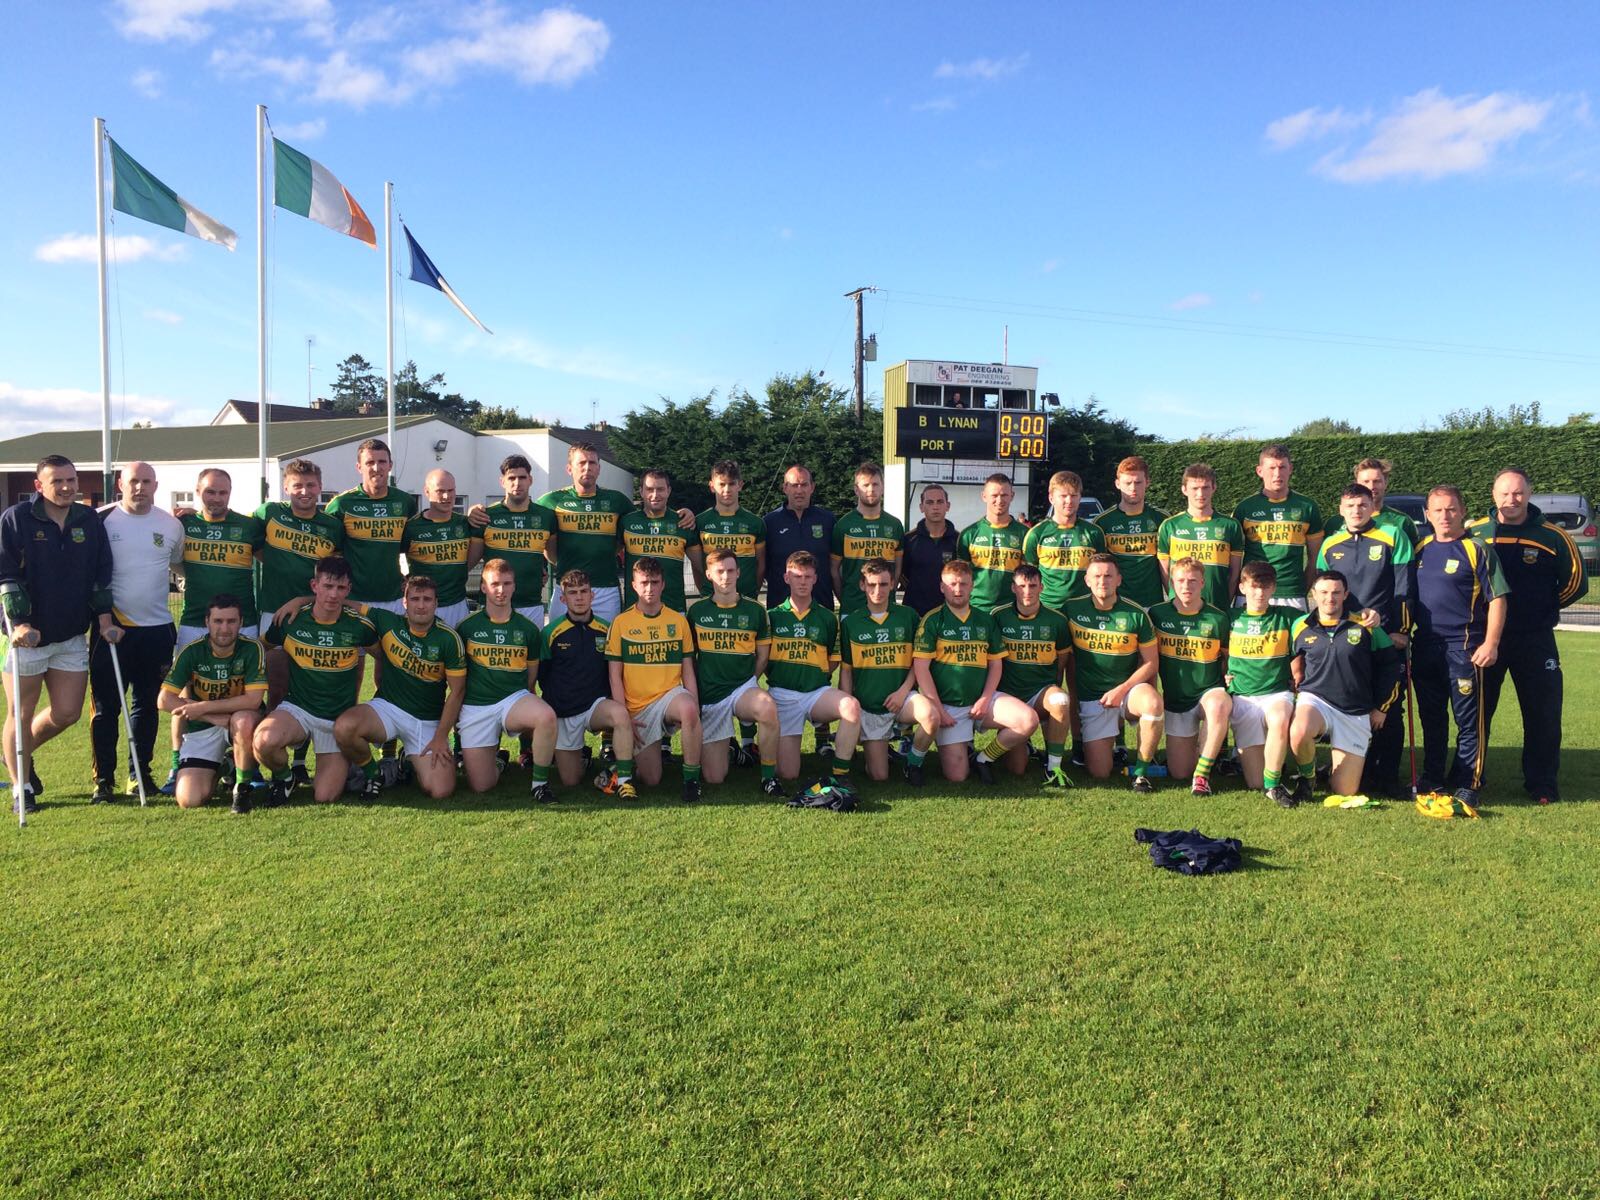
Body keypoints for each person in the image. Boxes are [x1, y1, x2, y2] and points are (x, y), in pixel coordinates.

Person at [0, 455, 115, 812]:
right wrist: (18, 624)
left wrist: (105, 620)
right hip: (28, 636)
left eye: (71, 480)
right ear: (39, 486)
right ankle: (23, 788)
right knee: (20, 712)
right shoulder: (16, 519)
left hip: (69, 636)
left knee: (67, 713)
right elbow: (5, 576)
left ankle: (16, 753)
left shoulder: (89, 519)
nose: (66, 488)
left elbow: (101, 572)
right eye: (57, 481)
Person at [1470, 467, 1587, 804]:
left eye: (1518, 492)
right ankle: (1472, 776)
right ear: (1494, 495)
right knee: (1477, 712)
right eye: (1505, 493)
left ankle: (1542, 784)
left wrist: (1541, 610)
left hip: (1535, 640)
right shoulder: (1476, 532)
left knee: (1543, 713)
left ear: (1529, 494)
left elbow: (1576, 583)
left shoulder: (1553, 536)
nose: (1512, 499)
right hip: (1486, 638)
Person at [163, 467, 265, 794]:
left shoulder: (249, 526)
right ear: (198, 492)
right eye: (210, 492)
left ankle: (243, 761)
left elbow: (274, 561)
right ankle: (177, 761)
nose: (216, 498)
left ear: (230, 494)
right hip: (194, 620)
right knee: (185, 693)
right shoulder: (183, 525)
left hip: (243, 621)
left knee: (242, 692)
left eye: (222, 492)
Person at [90, 461, 185, 803]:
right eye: (133, 481)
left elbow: (177, 564)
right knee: (106, 707)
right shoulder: (100, 520)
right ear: (120, 483)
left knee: (146, 705)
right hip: (111, 629)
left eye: (146, 481)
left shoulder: (171, 525)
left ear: (156, 485)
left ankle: (139, 774)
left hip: (158, 630)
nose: (140, 488)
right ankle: (104, 780)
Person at [1411, 485, 1508, 808]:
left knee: (1469, 721)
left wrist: (1491, 643)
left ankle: (1469, 781)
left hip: (1464, 649)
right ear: (1427, 515)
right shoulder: (1421, 548)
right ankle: (1433, 776)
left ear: (1463, 511)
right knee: (1432, 718)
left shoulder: (1477, 548)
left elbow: (1498, 599)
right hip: (1425, 648)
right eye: (1437, 510)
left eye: (1451, 509)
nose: (1444, 516)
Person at [254, 556, 378, 804]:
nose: (333, 594)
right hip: (298, 710)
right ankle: (285, 777)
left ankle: (363, 768)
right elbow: (259, 649)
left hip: (336, 719)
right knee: (264, 741)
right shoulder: (290, 620)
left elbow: (386, 658)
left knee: (325, 796)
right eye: (328, 586)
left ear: (348, 590)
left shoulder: (360, 625)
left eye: (340, 588)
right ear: (314, 586)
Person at [333, 574, 467, 801]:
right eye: (415, 599)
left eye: (427, 599)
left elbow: (457, 691)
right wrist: (298, 602)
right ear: (405, 602)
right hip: (389, 708)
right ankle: (373, 773)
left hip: (426, 720)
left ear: (436, 603)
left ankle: (406, 761)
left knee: (440, 790)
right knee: (344, 728)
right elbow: (345, 603)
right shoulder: (388, 621)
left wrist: (441, 736)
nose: (421, 605)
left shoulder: (449, 639)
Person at [1316, 483, 1413, 796]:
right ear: (1340, 509)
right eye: (1349, 506)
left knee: (1388, 706)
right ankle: (1361, 771)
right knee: (1354, 704)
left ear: (1372, 506)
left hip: (1383, 636)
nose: (1356, 511)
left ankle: (1388, 777)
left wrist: (1400, 629)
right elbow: (1321, 591)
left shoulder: (1391, 535)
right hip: (1345, 639)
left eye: (1362, 505)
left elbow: (1404, 588)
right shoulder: (1331, 543)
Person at [255, 457, 344, 786]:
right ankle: (261, 757)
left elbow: (334, 576)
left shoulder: (332, 526)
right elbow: (254, 547)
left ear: (320, 488)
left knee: (310, 686)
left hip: (312, 614)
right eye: (298, 485)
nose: (304, 491)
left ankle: (299, 762)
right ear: (286, 487)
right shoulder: (268, 514)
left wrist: (303, 599)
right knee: (276, 686)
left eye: (310, 485)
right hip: (273, 613)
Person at [912, 558, 1038, 785]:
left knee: (1027, 720)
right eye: (952, 584)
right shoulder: (932, 620)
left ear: (972, 585)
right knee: (957, 776)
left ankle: (983, 758)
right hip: (949, 706)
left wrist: (985, 698)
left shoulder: (985, 620)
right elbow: (921, 669)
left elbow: (996, 664)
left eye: (963, 584)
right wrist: (938, 709)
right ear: (942, 587)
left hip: (982, 701)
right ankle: (938, 752)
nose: (957, 589)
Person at [1287, 570, 1403, 799]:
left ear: (1345, 594)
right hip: (1316, 700)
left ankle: (1329, 771)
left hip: (1354, 709)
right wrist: (1296, 672)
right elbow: (1291, 656)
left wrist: (1381, 708)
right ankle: (1307, 777)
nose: (1329, 598)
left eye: (1336, 593)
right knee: (1299, 731)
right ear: (1313, 594)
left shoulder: (1365, 624)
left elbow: (1391, 666)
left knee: (1345, 791)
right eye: (1323, 592)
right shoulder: (1300, 625)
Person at [454, 558, 559, 797]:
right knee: (481, 785)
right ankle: (499, 760)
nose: (500, 590)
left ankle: (540, 784)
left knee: (546, 716)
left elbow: (530, 680)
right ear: (483, 587)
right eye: (494, 584)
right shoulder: (465, 627)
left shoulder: (529, 629)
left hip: (513, 700)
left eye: (506, 583)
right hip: (477, 706)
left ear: (514, 586)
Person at [765, 551, 861, 802]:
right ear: (786, 577)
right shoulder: (772, 617)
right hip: (783, 695)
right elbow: (763, 660)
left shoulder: (827, 617)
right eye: (797, 576)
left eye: (808, 576)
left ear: (816, 578)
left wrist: (811, 675)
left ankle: (840, 774)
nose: (802, 581)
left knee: (850, 706)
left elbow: (832, 661)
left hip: (816, 693)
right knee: (788, 772)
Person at [157, 594, 266, 813]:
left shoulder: (252, 648)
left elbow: (253, 700)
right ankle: (225, 766)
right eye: (218, 621)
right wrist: (208, 716)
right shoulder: (192, 651)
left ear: (241, 623)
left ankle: (241, 789)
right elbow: (164, 700)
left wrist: (202, 707)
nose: (224, 628)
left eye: (231, 621)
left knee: (243, 720)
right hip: (204, 727)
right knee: (190, 799)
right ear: (207, 622)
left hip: (240, 721)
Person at [1063, 553, 1164, 789]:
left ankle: (1141, 772)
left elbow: (1151, 663)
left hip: (1127, 693)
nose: (1102, 581)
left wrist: (1122, 689)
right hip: (1093, 699)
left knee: (1152, 702)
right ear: (1087, 580)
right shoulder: (1071, 609)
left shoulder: (1136, 613)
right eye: (1096, 576)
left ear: (1119, 579)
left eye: (1108, 576)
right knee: (1099, 773)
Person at [605, 557, 703, 798]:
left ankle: (691, 781)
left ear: (663, 585)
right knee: (651, 779)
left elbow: (688, 668)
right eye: (644, 583)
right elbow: (615, 676)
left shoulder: (678, 621)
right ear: (634, 586)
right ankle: (621, 769)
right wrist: (624, 716)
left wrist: (694, 707)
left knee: (689, 709)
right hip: (639, 709)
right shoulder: (621, 623)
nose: (649, 588)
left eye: (654, 582)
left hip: (670, 697)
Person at [688, 547, 782, 793]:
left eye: (730, 571)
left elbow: (763, 656)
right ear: (708, 574)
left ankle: (768, 777)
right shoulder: (697, 612)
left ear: (739, 572)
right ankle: (731, 749)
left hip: (742, 688)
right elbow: (691, 659)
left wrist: (749, 682)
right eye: (719, 571)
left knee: (767, 707)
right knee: (714, 777)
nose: (726, 577)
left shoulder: (755, 610)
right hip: (711, 695)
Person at [840, 557, 936, 784]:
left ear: (893, 584)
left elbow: (918, 661)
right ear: (862, 585)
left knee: (931, 717)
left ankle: (913, 763)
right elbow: (846, 670)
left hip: (902, 699)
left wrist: (904, 691)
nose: (877, 590)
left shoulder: (908, 616)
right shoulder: (851, 623)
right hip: (870, 707)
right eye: (872, 584)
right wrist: (849, 712)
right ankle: (878, 752)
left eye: (883, 584)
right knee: (879, 776)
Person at [541, 570, 637, 796]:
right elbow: (542, 677)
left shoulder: (608, 629)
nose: (579, 597)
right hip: (564, 713)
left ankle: (623, 780)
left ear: (592, 595)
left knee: (620, 715)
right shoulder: (550, 633)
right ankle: (583, 758)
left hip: (596, 707)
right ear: (563, 599)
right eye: (572, 593)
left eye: (584, 591)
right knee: (571, 781)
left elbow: (617, 672)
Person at [1148, 558, 1232, 795]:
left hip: (1208, 692)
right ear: (1172, 582)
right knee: (1179, 772)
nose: (1187, 586)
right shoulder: (1157, 613)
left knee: (1219, 705)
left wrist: (1230, 679)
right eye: (1181, 581)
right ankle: (1202, 750)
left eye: (1193, 581)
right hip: (1176, 700)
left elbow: (1228, 659)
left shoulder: (1218, 618)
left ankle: (1202, 775)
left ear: (1203, 583)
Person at [989, 563, 1072, 789]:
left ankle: (1053, 766)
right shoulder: (998, 616)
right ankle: (1020, 747)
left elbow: (1062, 660)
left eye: (1032, 585)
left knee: (1060, 699)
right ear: (1013, 588)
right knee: (1016, 769)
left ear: (1041, 587)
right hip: (1010, 696)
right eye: (1022, 586)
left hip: (1040, 691)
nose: (1027, 591)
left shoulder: (1056, 620)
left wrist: (1052, 686)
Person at [1225, 561, 1300, 804]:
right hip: (1243, 697)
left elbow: (1328, 617)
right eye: (1254, 587)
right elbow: (1215, 653)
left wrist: (1363, 615)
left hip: (1276, 694)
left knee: (1278, 720)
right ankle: (1270, 772)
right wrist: (1222, 676)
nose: (1259, 593)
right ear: (1242, 587)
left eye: (1265, 587)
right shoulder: (1230, 618)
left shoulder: (1288, 617)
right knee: (1253, 782)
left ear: (1273, 589)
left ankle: (1273, 786)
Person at [324, 438, 416, 615]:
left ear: (390, 465)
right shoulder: (341, 504)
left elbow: (411, 547)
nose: (376, 468)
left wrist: (410, 576)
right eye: (370, 462)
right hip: (353, 598)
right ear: (359, 467)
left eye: (382, 462)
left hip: (394, 598)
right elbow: (328, 553)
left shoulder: (404, 502)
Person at [469, 455, 557, 625]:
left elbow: (554, 557)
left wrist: (542, 570)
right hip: (492, 604)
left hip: (530, 604)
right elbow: (468, 562)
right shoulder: (485, 516)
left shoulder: (546, 516)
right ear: (502, 481)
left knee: (531, 652)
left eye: (522, 477)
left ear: (530, 480)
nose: (517, 483)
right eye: (512, 478)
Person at [1232, 444, 1322, 608]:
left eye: (1282, 467)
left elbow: (1314, 559)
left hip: (1292, 593)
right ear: (1259, 471)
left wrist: (1301, 590)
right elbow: (1234, 560)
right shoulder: (1244, 508)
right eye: (1271, 467)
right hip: (1252, 592)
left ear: (1290, 469)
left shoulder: (1307, 507)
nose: (1277, 473)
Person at [1156, 463, 1243, 610]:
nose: (1200, 494)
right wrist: (1175, 598)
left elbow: (1234, 574)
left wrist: (1224, 603)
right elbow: (1166, 574)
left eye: (1205, 488)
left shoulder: (1230, 525)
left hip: (1217, 607)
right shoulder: (1170, 525)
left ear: (1214, 488)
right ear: (1184, 490)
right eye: (1195, 488)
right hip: (1180, 608)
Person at [400, 469, 478, 627]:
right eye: (440, 491)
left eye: (451, 491)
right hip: (424, 606)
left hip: (457, 604)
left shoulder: (465, 523)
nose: (446, 496)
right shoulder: (412, 527)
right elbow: (392, 556)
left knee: (458, 650)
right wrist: (403, 577)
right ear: (427, 492)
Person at [1024, 470, 1106, 611]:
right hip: (1048, 608)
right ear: (1051, 498)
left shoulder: (1094, 532)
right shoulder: (1036, 534)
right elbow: (1029, 576)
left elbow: (1102, 572)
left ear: (1080, 497)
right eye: (1063, 496)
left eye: (1074, 495)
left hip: (1084, 607)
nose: (1069, 501)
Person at [1094, 456, 1167, 611]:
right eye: (1128, 483)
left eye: (1138, 482)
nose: (1133, 488)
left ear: (1147, 482)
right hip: (1116, 603)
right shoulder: (1103, 522)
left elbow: (1170, 566)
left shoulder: (1163, 519)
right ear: (1118, 484)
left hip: (1153, 603)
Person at [831, 462, 904, 615]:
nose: (871, 490)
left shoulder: (895, 525)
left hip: (886, 609)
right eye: (865, 485)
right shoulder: (843, 525)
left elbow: (897, 570)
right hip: (852, 608)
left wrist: (889, 595)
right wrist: (845, 599)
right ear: (856, 489)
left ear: (883, 487)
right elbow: (833, 570)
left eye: (876, 484)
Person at [622, 467, 695, 615]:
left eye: (660, 489)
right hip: (634, 610)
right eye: (649, 489)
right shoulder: (626, 522)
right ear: (641, 491)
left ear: (668, 490)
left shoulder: (683, 523)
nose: (655, 495)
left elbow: (700, 566)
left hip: (674, 609)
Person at [691, 460, 766, 602]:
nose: (727, 490)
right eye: (722, 484)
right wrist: (704, 589)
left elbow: (760, 564)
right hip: (710, 597)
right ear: (712, 486)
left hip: (746, 598)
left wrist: (753, 590)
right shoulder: (700, 522)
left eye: (731, 484)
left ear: (740, 485)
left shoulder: (756, 523)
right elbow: (697, 565)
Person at [764, 464, 836, 611]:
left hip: (821, 607)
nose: (799, 490)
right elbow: (762, 566)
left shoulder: (828, 520)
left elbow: (836, 566)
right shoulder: (769, 522)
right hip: (780, 610)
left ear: (812, 487)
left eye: (804, 485)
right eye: (794, 485)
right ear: (785, 488)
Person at [957, 473, 1028, 613]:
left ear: (1012, 496)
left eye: (1004, 495)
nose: (999, 500)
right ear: (984, 496)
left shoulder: (1025, 534)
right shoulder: (969, 534)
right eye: (994, 495)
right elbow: (961, 577)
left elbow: (1028, 577)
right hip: (977, 608)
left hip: (1012, 609)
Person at [1324, 457, 1420, 548]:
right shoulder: (1335, 523)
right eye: (1365, 481)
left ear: (1385, 483)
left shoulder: (1401, 521)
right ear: (1356, 483)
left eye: (1376, 481)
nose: (1371, 486)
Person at [899, 483, 958, 616]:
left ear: (947, 506)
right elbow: (902, 573)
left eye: (940, 502)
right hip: (914, 611)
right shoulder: (908, 540)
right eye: (930, 502)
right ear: (921, 507)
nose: (935, 507)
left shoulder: (959, 540)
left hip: (949, 612)